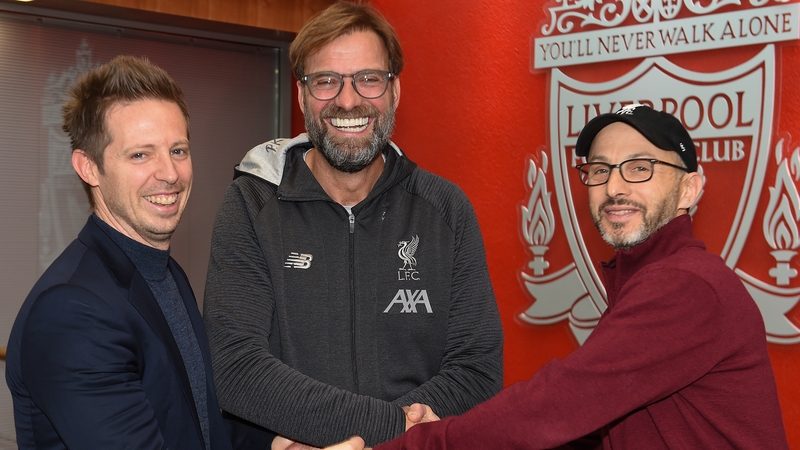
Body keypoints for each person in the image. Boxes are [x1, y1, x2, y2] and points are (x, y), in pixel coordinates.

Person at [330, 104, 789, 449]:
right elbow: (588, 421)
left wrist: (417, 443)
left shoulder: (686, 287)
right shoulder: (644, 280)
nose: (614, 187)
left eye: (640, 167)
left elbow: (559, 405)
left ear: (689, 187)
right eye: (600, 169)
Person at [202, 1, 504, 448]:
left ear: (394, 90)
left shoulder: (446, 209)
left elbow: (477, 368)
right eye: (326, 81)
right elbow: (237, 367)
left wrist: (387, 440)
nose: (347, 99)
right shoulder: (251, 204)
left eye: (369, 79)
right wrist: (395, 427)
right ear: (302, 94)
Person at [5, 55, 231, 450]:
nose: (170, 173)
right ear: (88, 168)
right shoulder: (71, 311)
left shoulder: (166, 273)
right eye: (140, 154)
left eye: (178, 150)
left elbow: (195, 423)